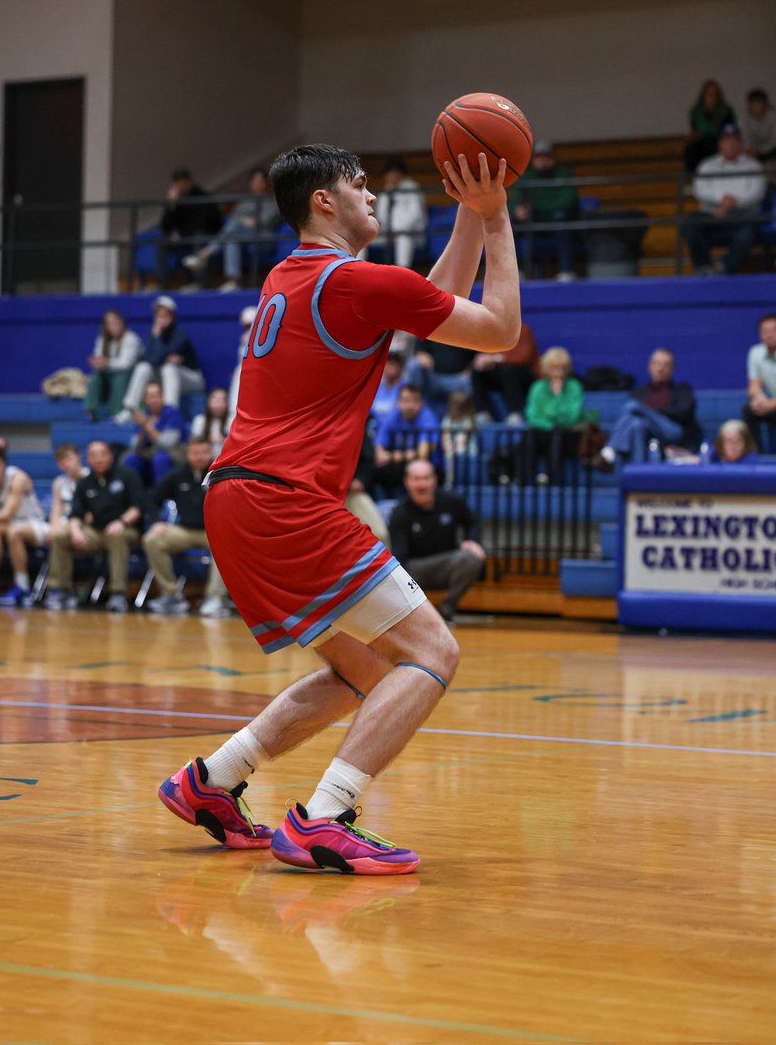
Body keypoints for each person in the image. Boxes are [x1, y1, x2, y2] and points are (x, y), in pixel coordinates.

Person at [158, 141, 520, 874]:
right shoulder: (354, 283)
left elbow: (428, 307)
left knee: (365, 667)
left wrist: (465, 214)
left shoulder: (293, 276)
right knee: (432, 652)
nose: (373, 195)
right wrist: (496, 215)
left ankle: (212, 782)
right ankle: (324, 817)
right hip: (283, 499)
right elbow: (499, 329)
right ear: (324, 200)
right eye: (360, 184)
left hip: (234, 498)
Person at [46, 439, 143, 612]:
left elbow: (139, 506)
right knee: (61, 536)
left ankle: (118, 593)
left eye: (102, 454)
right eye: (94, 455)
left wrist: (121, 522)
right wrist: (75, 530)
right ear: (88, 459)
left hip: (127, 530)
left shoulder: (127, 475)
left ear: (110, 456)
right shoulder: (85, 483)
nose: (99, 459)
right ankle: (59, 590)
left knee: (117, 536)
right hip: (96, 532)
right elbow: (76, 513)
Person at [388, 459, 485, 627]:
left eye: (426, 478)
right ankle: (416, 615)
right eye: (416, 479)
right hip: (415, 570)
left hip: (447, 564)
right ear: (407, 482)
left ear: (434, 480)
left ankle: (446, 610)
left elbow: (472, 521)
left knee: (471, 558)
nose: (422, 484)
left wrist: (472, 541)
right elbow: (400, 557)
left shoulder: (450, 501)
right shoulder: (400, 512)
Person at [143, 437, 230, 617]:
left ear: (211, 453)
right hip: (184, 530)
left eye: (204, 452)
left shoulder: (220, 474)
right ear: (187, 454)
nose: (200, 456)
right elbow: (151, 498)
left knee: (228, 545)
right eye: (195, 453)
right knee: (152, 540)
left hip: (213, 532)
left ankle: (215, 598)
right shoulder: (177, 474)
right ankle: (171, 595)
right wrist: (156, 521)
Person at [682, 124, 767, 275]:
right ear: (720, 143)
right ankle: (703, 267)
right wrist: (721, 201)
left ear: (740, 143)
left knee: (748, 228)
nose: (730, 144)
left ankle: (725, 268)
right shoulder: (707, 165)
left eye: (734, 140)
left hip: (741, 215)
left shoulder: (754, 165)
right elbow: (699, 189)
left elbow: (757, 193)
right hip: (713, 214)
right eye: (726, 140)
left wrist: (733, 202)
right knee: (689, 222)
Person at [183, 166, 281, 290]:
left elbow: (263, 222)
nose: (257, 185)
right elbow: (235, 218)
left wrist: (244, 221)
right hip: (241, 236)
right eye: (255, 181)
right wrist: (243, 221)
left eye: (260, 181)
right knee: (231, 238)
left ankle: (205, 254)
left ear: (266, 183)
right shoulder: (244, 202)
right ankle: (233, 281)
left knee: (234, 226)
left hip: (262, 237)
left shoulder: (273, 202)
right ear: (250, 183)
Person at [599, 348, 701, 467]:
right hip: (646, 435)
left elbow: (683, 412)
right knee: (637, 424)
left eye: (665, 365)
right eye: (657, 364)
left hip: (672, 431)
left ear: (672, 369)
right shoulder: (638, 392)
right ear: (650, 366)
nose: (660, 368)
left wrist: (649, 412)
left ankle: (610, 448)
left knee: (633, 406)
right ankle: (638, 471)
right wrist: (647, 414)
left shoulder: (682, 390)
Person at [0, 441, 47, 607]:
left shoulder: (17, 478)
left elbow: (7, 514)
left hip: (32, 523)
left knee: (12, 531)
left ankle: (22, 586)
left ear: (4, 464)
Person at [115, 296, 205, 420]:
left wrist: (156, 337)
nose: (161, 319)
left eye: (164, 315)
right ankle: (130, 409)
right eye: (158, 315)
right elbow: (147, 359)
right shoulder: (153, 334)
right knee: (143, 367)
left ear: (171, 316)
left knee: (169, 368)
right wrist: (156, 336)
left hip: (192, 379)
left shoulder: (180, 335)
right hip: (165, 377)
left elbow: (159, 357)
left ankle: (170, 413)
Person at [508, 140, 578, 280]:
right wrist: (517, 209)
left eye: (547, 157)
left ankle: (566, 271)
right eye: (539, 157)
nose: (543, 161)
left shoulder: (564, 173)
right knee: (512, 224)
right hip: (532, 221)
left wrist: (534, 205)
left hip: (555, 221)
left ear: (553, 158)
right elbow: (515, 198)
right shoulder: (526, 175)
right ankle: (517, 272)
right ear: (533, 159)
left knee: (562, 220)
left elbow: (566, 201)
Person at [519, 345, 585, 484]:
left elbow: (572, 417)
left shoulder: (574, 387)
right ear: (546, 368)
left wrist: (558, 396)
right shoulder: (537, 387)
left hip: (566, 436)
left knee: (557, 434)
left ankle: (551, 478)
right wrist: (550, 425)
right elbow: (532, 416)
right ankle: (526, 479)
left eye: (562, 368)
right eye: (554, 368)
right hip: (542, 433)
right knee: (529, 435)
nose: (558, 373)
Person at [158, 167, 223, 288]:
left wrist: (184, 231)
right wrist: (171, 204)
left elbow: (212, 222)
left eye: (182, 181)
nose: (180, 185)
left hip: (201, 236)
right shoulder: (175, 201)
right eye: (177, 182)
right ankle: (161, 283)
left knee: (198, 239)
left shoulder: (202, 196)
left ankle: (200, 283)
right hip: (182, 237)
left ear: (189, 181)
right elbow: (165, 225)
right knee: (161, 241)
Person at [373, 382, 441, 494]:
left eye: (415, 401)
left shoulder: (427, 418)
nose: (410, 406)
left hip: (427, 465)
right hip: (400, 466)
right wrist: (404, 456)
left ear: (421, 403)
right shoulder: (392, 416)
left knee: (418, 471)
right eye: (406, 401)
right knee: (376, 471)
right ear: (398, 402)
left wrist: (393, 456)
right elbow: (379, 452)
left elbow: (422, 455)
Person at [471, 320, 540, 424]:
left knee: (508, 370)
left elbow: (523, 357)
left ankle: (515, 413)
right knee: (478, 370)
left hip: (524, 375)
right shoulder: (491, 332)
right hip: (502, 375)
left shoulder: (523, 330)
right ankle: (482, 413)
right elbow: (486, 355)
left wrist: (495, 358)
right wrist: (483, 361)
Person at [121, 380, 188, 486]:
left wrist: (146, 426)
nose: (153, 400)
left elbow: (168, 444)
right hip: (149, 455)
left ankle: (162, 494)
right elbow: (134, 446)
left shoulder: (171, 413)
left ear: (162, 397)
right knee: (131, 459)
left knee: (160, 458)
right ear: (144, 400)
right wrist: (142, 429)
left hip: (174, 455)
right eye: (149, 397)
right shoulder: (144, 415)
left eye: (156, 396)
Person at [83, 310, 143, 421]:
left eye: (116, 323)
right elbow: (99, 355)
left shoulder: (131, 338)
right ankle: (91, 411)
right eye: (109, 324)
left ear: (122, 323)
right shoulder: (102, 339)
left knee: (120, 376)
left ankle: (116, 411)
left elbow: (125, 364)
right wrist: (96, 362)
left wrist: (106, 363)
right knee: (96, 376)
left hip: (129, 376)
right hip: (109, 375)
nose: (113, 326)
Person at [372, 157, 427, 269]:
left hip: (411, 232)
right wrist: (384, 228)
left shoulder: (412, 187)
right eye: (388, 173)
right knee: (362, 235)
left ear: (400, 173)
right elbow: (381, 215)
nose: (390, 176)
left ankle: (403, 269)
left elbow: (415, 215)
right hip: (388, 232)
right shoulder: (386, 190)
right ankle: (358, 266)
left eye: (393, 173)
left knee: (403, 235)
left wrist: (396, 230)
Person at [344, 425, 390, 548]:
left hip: (351, 493)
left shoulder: (351, 424)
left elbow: (369, 460)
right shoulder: (309, 425)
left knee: (379, 535)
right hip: (318, 495)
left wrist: (360, 480)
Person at [402, 340, 475, 411]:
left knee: (469, 380)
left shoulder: (469, 332)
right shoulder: (430, 331)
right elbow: (420, 349)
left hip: (459, 378)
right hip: (432, 375)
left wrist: (471, 366)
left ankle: (474, 413)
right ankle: (411, 402)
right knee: (413, 364)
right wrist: (422, 355)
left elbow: (479, 354)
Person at [742, 312, 776, 449]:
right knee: (749, 410)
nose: (770, 335)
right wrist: (758, 399)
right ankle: (755, 453)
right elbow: (754, 384)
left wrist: (769, 405)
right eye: (765, 331)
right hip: (773, 406)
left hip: (774, 404)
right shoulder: (755, 353)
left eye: (774, 330)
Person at [684, 79, 736, 173]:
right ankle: (694, 176)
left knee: (712, 145)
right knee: (690, 149)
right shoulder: (696, 111)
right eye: (708, 93)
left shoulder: (726, 111)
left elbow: (730, 129)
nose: (711, 96)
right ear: (703, 94)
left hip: (719, 140)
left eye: (713, 93)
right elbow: (694, 129)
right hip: (699, 141)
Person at [190, 387, 231, 457]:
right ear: (208, 402)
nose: (218, 404)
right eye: (215, 400)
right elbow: (195, 443)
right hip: (204, 458)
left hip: (227, 457)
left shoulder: (232, 420)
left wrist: (223, 439)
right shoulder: (199, 421)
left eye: (222, 400)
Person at [742, 88, 776, 163]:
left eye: (758, 104)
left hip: (771, 149)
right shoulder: (744, 119)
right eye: (752, 104)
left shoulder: (774, 117)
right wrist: (750, 150)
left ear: (765, 105)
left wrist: (760, 150)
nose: (755, 107)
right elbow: (745, 138)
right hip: (752, 151)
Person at [369, 350, 405, 422]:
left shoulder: (406, 389)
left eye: (394, 364)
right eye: (388, 363)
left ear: (400, 367)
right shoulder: (375, 387)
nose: (390, 367)